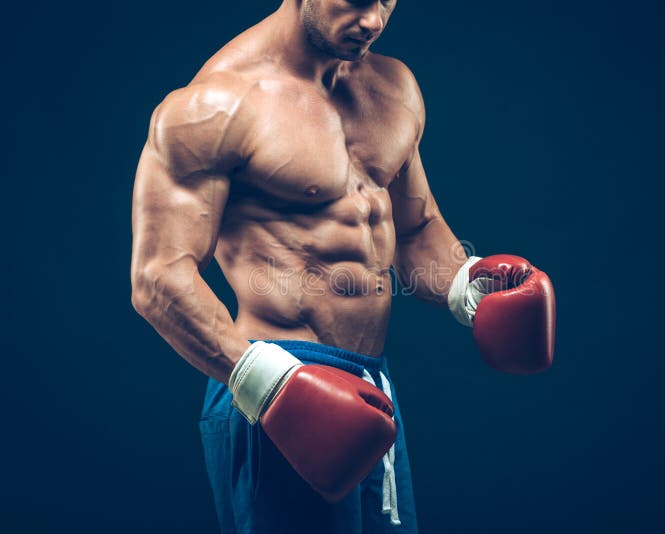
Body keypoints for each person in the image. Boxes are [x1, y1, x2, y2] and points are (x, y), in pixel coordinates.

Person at [130, 1, 555, 532]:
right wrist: (270, 384)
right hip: (276, 386)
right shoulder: (215, 105)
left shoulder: (392, 87)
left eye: (385, 0)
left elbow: (417, 227)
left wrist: (470, 284)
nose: (373, 20)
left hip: (370, 394)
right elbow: (157, 280)